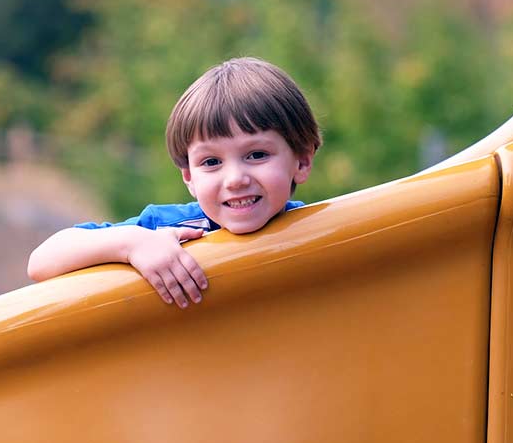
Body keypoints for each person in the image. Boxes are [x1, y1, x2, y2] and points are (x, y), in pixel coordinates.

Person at [27, 56, 322, 309]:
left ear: (302, 161)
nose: (235, 179)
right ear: (189, 177)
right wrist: (132, 244)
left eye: (257, 155)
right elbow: (41, 262)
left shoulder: (320, 228)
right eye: (211, 162)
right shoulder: (171, 231)